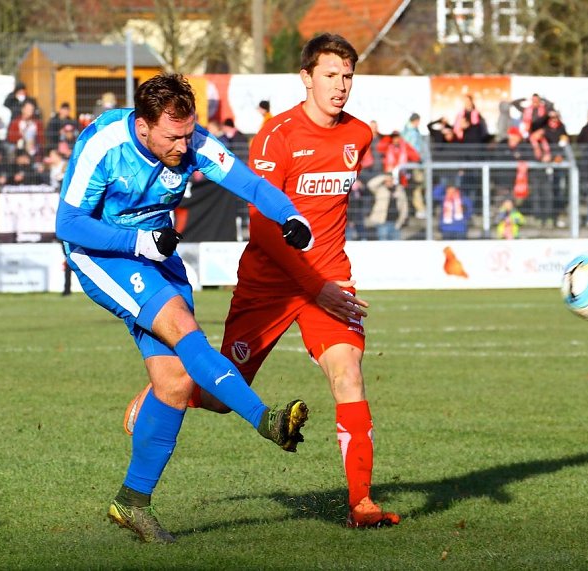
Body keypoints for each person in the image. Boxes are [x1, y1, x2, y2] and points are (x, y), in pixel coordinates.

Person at [56, 73, 313, 544]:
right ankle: (266, 421)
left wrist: (289, 215)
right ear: (143, 127)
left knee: (175, 384)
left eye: (188, 133)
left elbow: (252, 185)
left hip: (158, 251)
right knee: (182, 325)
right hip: (103, 255)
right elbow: (68, 223)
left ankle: (131, 503)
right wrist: (138, 242)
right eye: (173, 137)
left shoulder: (192, 141)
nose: (183, 145)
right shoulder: (104, 145)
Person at [172, 33, 399, 528]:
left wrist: (322, 284)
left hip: (329, 279)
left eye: (347, 76)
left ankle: (361, 504)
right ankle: (169, 390)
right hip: (269, 283)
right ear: (306, 78)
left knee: (348, 374)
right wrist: (313, 287)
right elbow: (263, 228)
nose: (340, 86)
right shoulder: (276, 135)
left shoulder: (359, 135)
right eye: (330, 75)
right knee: (219, 399)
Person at [366, 171, 409, 240]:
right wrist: (383, 177)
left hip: (396, 223)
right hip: (382, 222)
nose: (389, 182)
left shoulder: (399, 190)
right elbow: (370, 184)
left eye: (390, 180)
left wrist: (402, 219)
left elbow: (404, 206)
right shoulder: (380, 189)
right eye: (387, 181)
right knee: (383, 243)